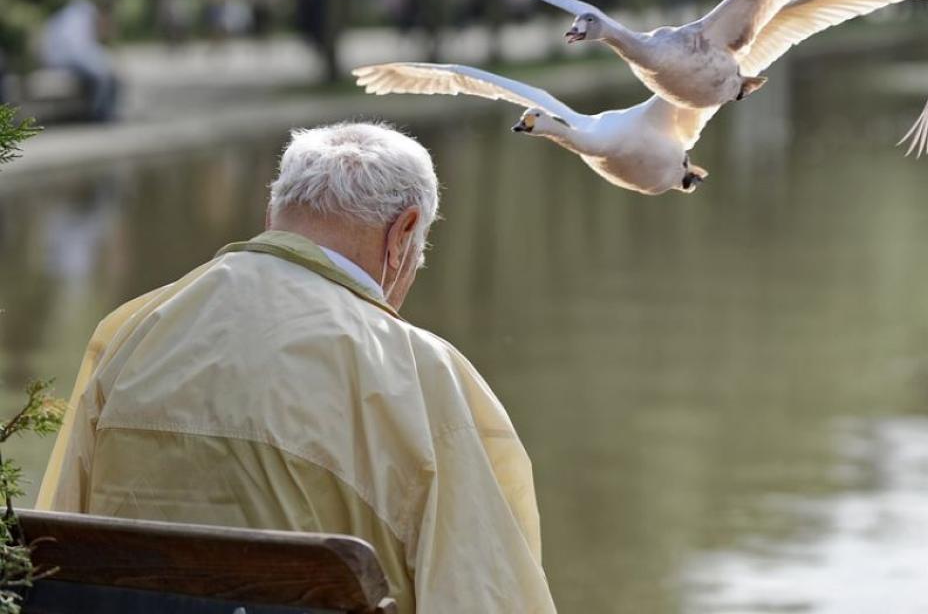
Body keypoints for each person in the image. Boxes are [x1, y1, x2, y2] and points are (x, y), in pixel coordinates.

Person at [37, 122, 557, 612]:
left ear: (273, 215)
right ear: (404, 234)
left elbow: (52, 549)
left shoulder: (132, 330)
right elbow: (490, 594)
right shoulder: (425, 377)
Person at [38, 0, 120, 121]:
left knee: (105, 74)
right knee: (104, 76)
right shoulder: (84, 16)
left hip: (58, 58)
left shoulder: (69, 14)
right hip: (67, 57)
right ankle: (100, 114)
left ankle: (102, 112)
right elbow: (79, 48)